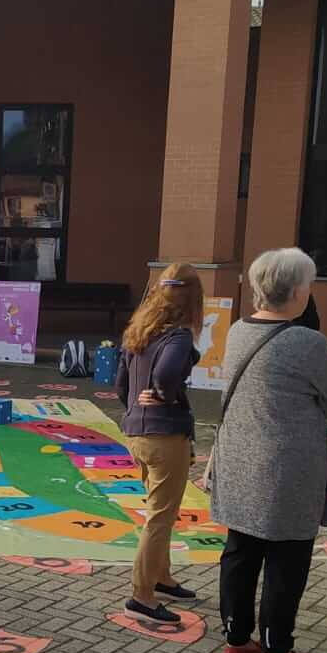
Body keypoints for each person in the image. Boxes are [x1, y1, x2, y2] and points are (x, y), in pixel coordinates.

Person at [208, 248, 327, 653]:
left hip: (238, 457)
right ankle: (278, 649)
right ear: (298, 291)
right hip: (288, 467)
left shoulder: (237, 331)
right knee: (287, 557)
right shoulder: (308, 342)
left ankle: (236, 639)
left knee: (240, 550)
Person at [116, 263, 203, 624]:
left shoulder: (139, 331)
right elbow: (166, 375)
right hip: (165, 436)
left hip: (137, 433)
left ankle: (162, 577)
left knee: (160, 511)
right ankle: (141, 595)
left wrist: (139, 406)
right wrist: (167, 396)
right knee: (160, 516)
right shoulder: (178, 336)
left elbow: (121, 386)